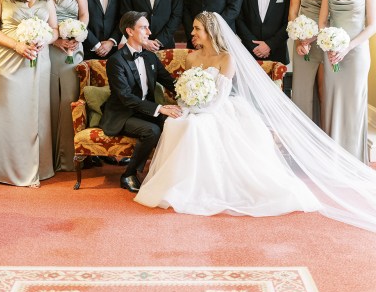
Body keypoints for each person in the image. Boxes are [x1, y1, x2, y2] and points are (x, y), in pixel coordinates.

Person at [135, 12, 376, 233]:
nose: (192, 33)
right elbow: (184, 91)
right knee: (175, 123)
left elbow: (219, 98)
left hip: (221, 108)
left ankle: (208, 186)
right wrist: (186, 106)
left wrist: (198, 111)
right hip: (196, 108)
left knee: (197, 126)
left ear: (209, 32)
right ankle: (179, 183)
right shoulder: (191, 57)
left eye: (197, 29)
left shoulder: (227, 58)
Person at [0, 0, 58, 187]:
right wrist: (17, 45)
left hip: (38, 61)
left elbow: (55, 30)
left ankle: (37, 168)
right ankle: (5, 169)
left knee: (36, 114)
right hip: (7, 63)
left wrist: (43, 39)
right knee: (11, 115)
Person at [99, 11, 182, 193]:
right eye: (144, 27)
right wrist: (160, 108)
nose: (149, 32)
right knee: (152, 131)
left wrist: (192, 92)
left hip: (143, 110)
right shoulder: (116, 61)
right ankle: (128, 175)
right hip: (122, 113)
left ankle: (167, 173)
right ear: (130, 31)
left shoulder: (150, 57)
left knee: (176, 122)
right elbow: (126, 98)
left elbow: (169, 81)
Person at [319, 0, 376, 162]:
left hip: (356, 54)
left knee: (354, 104)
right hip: (332, 53)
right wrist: (330, 46)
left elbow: (372, 26)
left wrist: (348, 47)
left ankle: (354, 159)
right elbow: (322, 22)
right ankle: (333, 158)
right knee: (333, 102)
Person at [39, 0, 89, 172]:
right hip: (49, 48)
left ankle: (70, 158)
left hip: (73, 49)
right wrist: (56, 39)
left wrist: (77, 35)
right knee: (48, 99)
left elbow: (84, 14)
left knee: (69, 99)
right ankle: (48, 158)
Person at [289, 0, 333, 125]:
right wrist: (299, 38)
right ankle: (303, 137)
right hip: (302, 42)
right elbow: (293, 10)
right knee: (302, 92)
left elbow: (334, 14)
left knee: (324, 92)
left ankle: (324, 137)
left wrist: (316, 36)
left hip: (324, 41)